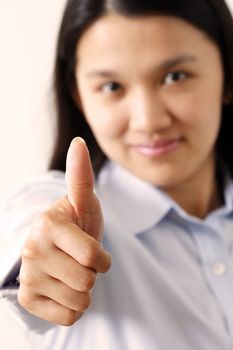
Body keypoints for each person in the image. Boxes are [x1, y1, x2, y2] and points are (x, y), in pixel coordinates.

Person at [1, 0, 233, 349]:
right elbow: (31, 230)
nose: (148, 120)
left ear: (228, 76)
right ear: (79, 96)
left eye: (175, 77)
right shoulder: (65, 215)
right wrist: (40, 262)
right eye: (111, 87)